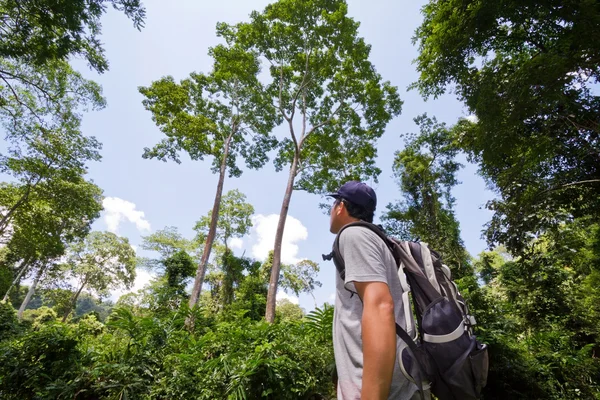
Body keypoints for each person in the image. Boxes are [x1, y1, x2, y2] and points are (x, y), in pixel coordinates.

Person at [328, 181, 423, 400]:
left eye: (333, 204)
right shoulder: (376, 240)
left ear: (341, 206)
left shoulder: (354, 236)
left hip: (383, 391)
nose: (331, 211)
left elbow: (381, 307)